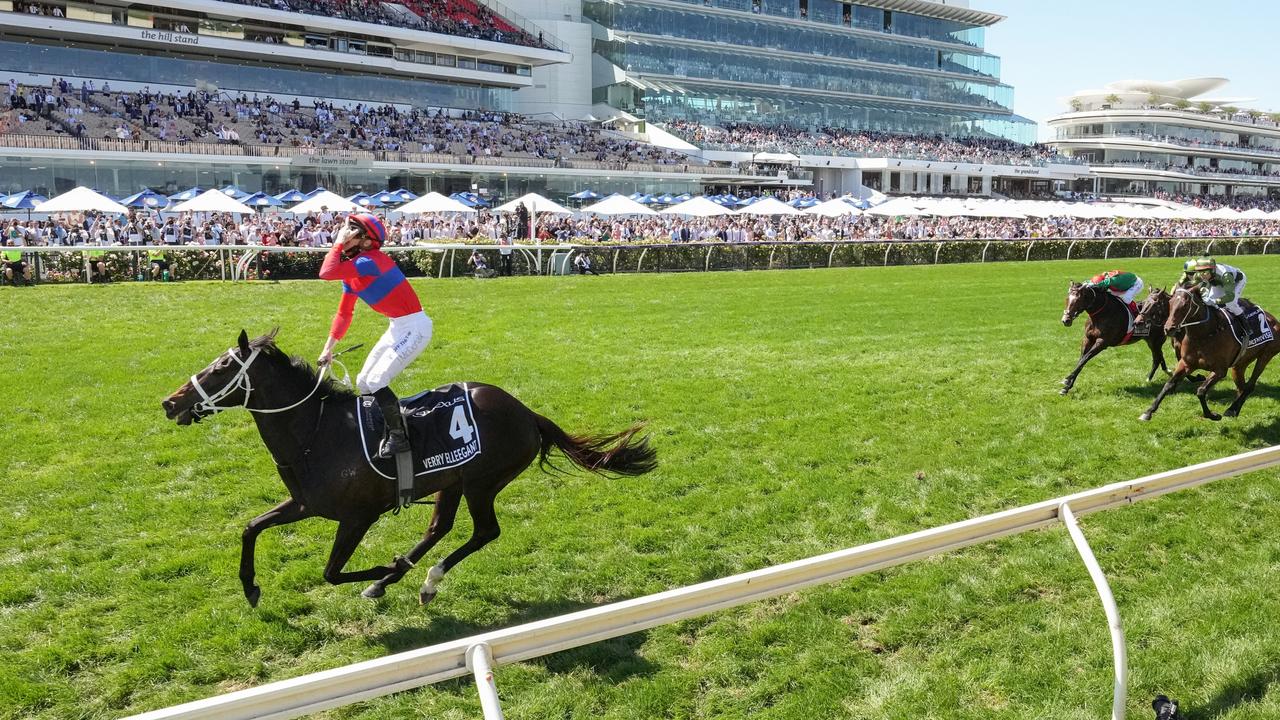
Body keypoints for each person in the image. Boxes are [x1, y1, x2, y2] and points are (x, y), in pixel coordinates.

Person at [317, 213, 430, 459]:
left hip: (416, 327)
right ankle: (379, 430)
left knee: (377, 380)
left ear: (366, 241)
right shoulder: (352, 273)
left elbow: (326, 272)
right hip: (398, 326)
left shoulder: (371, 261)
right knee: (363, 383)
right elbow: (344, 314)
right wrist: (328, 348)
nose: (344, 233)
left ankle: (399, 438)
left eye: (350, 231)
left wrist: (337, 243)